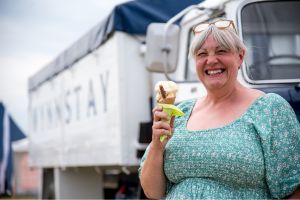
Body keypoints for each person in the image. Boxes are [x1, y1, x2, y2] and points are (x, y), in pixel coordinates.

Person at [139, 19, 300, 199]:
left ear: (240, 56)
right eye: (202, 54)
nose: (211, 60)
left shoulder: (270, 109)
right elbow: (153, 192)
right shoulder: (180, 113)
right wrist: (157, 145)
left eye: (221, 51)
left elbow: (294, 190)